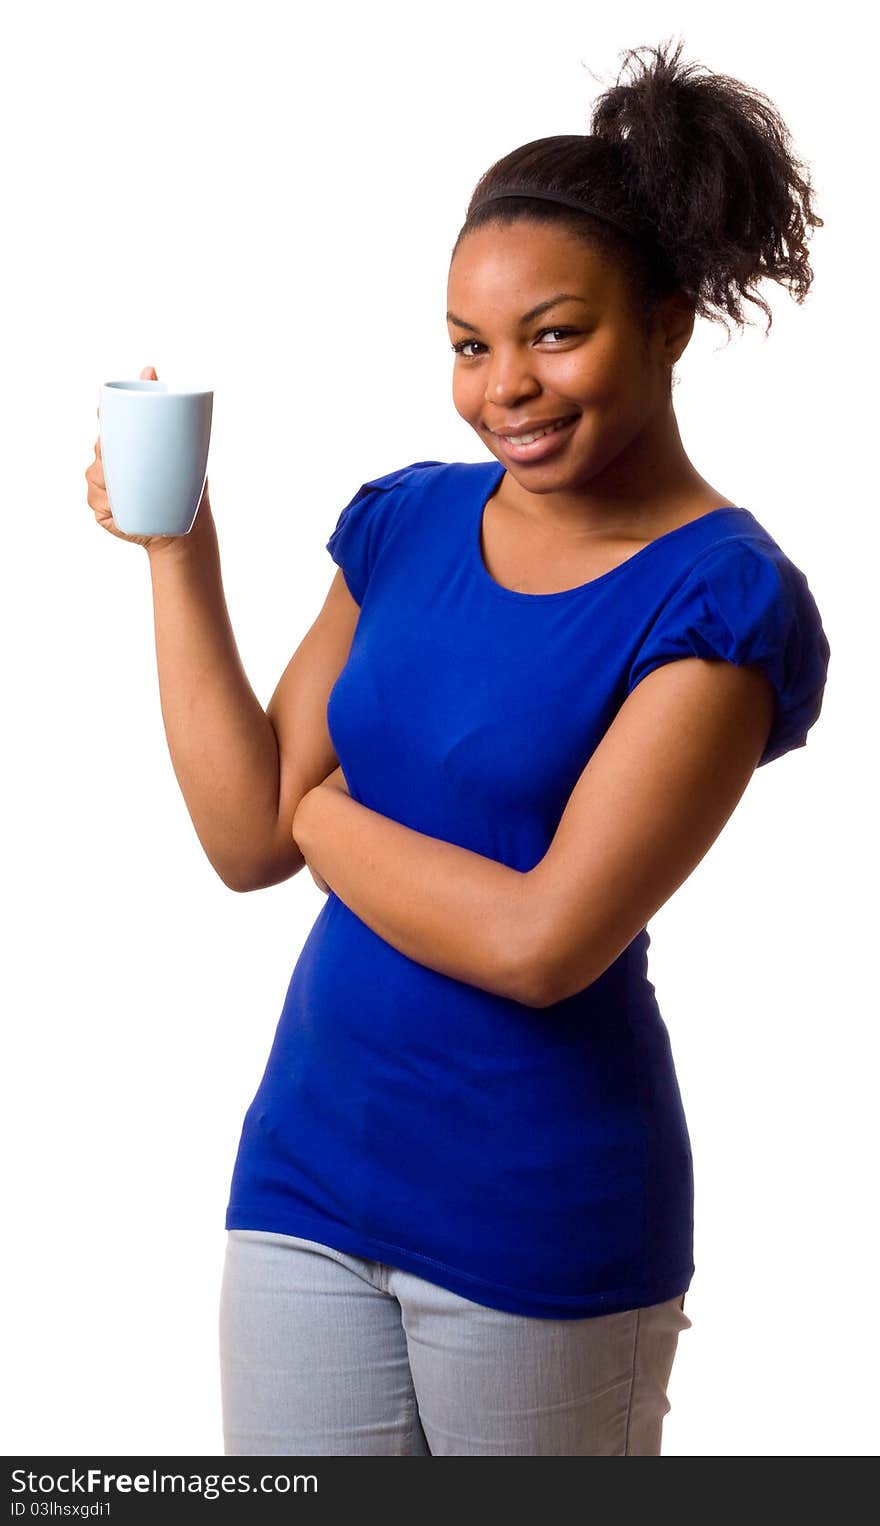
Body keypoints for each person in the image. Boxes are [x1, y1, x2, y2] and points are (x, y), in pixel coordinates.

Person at [84, 38, 831, 1457]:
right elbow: (246, 832)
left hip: (540, 1227)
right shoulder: (407, 522)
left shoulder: (717, 602)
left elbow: (542, 940)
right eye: (469, 344)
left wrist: (326, 819)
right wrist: (176, 550)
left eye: (557, 333)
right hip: (304, 1180)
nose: (507, 388)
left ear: (668, 324)